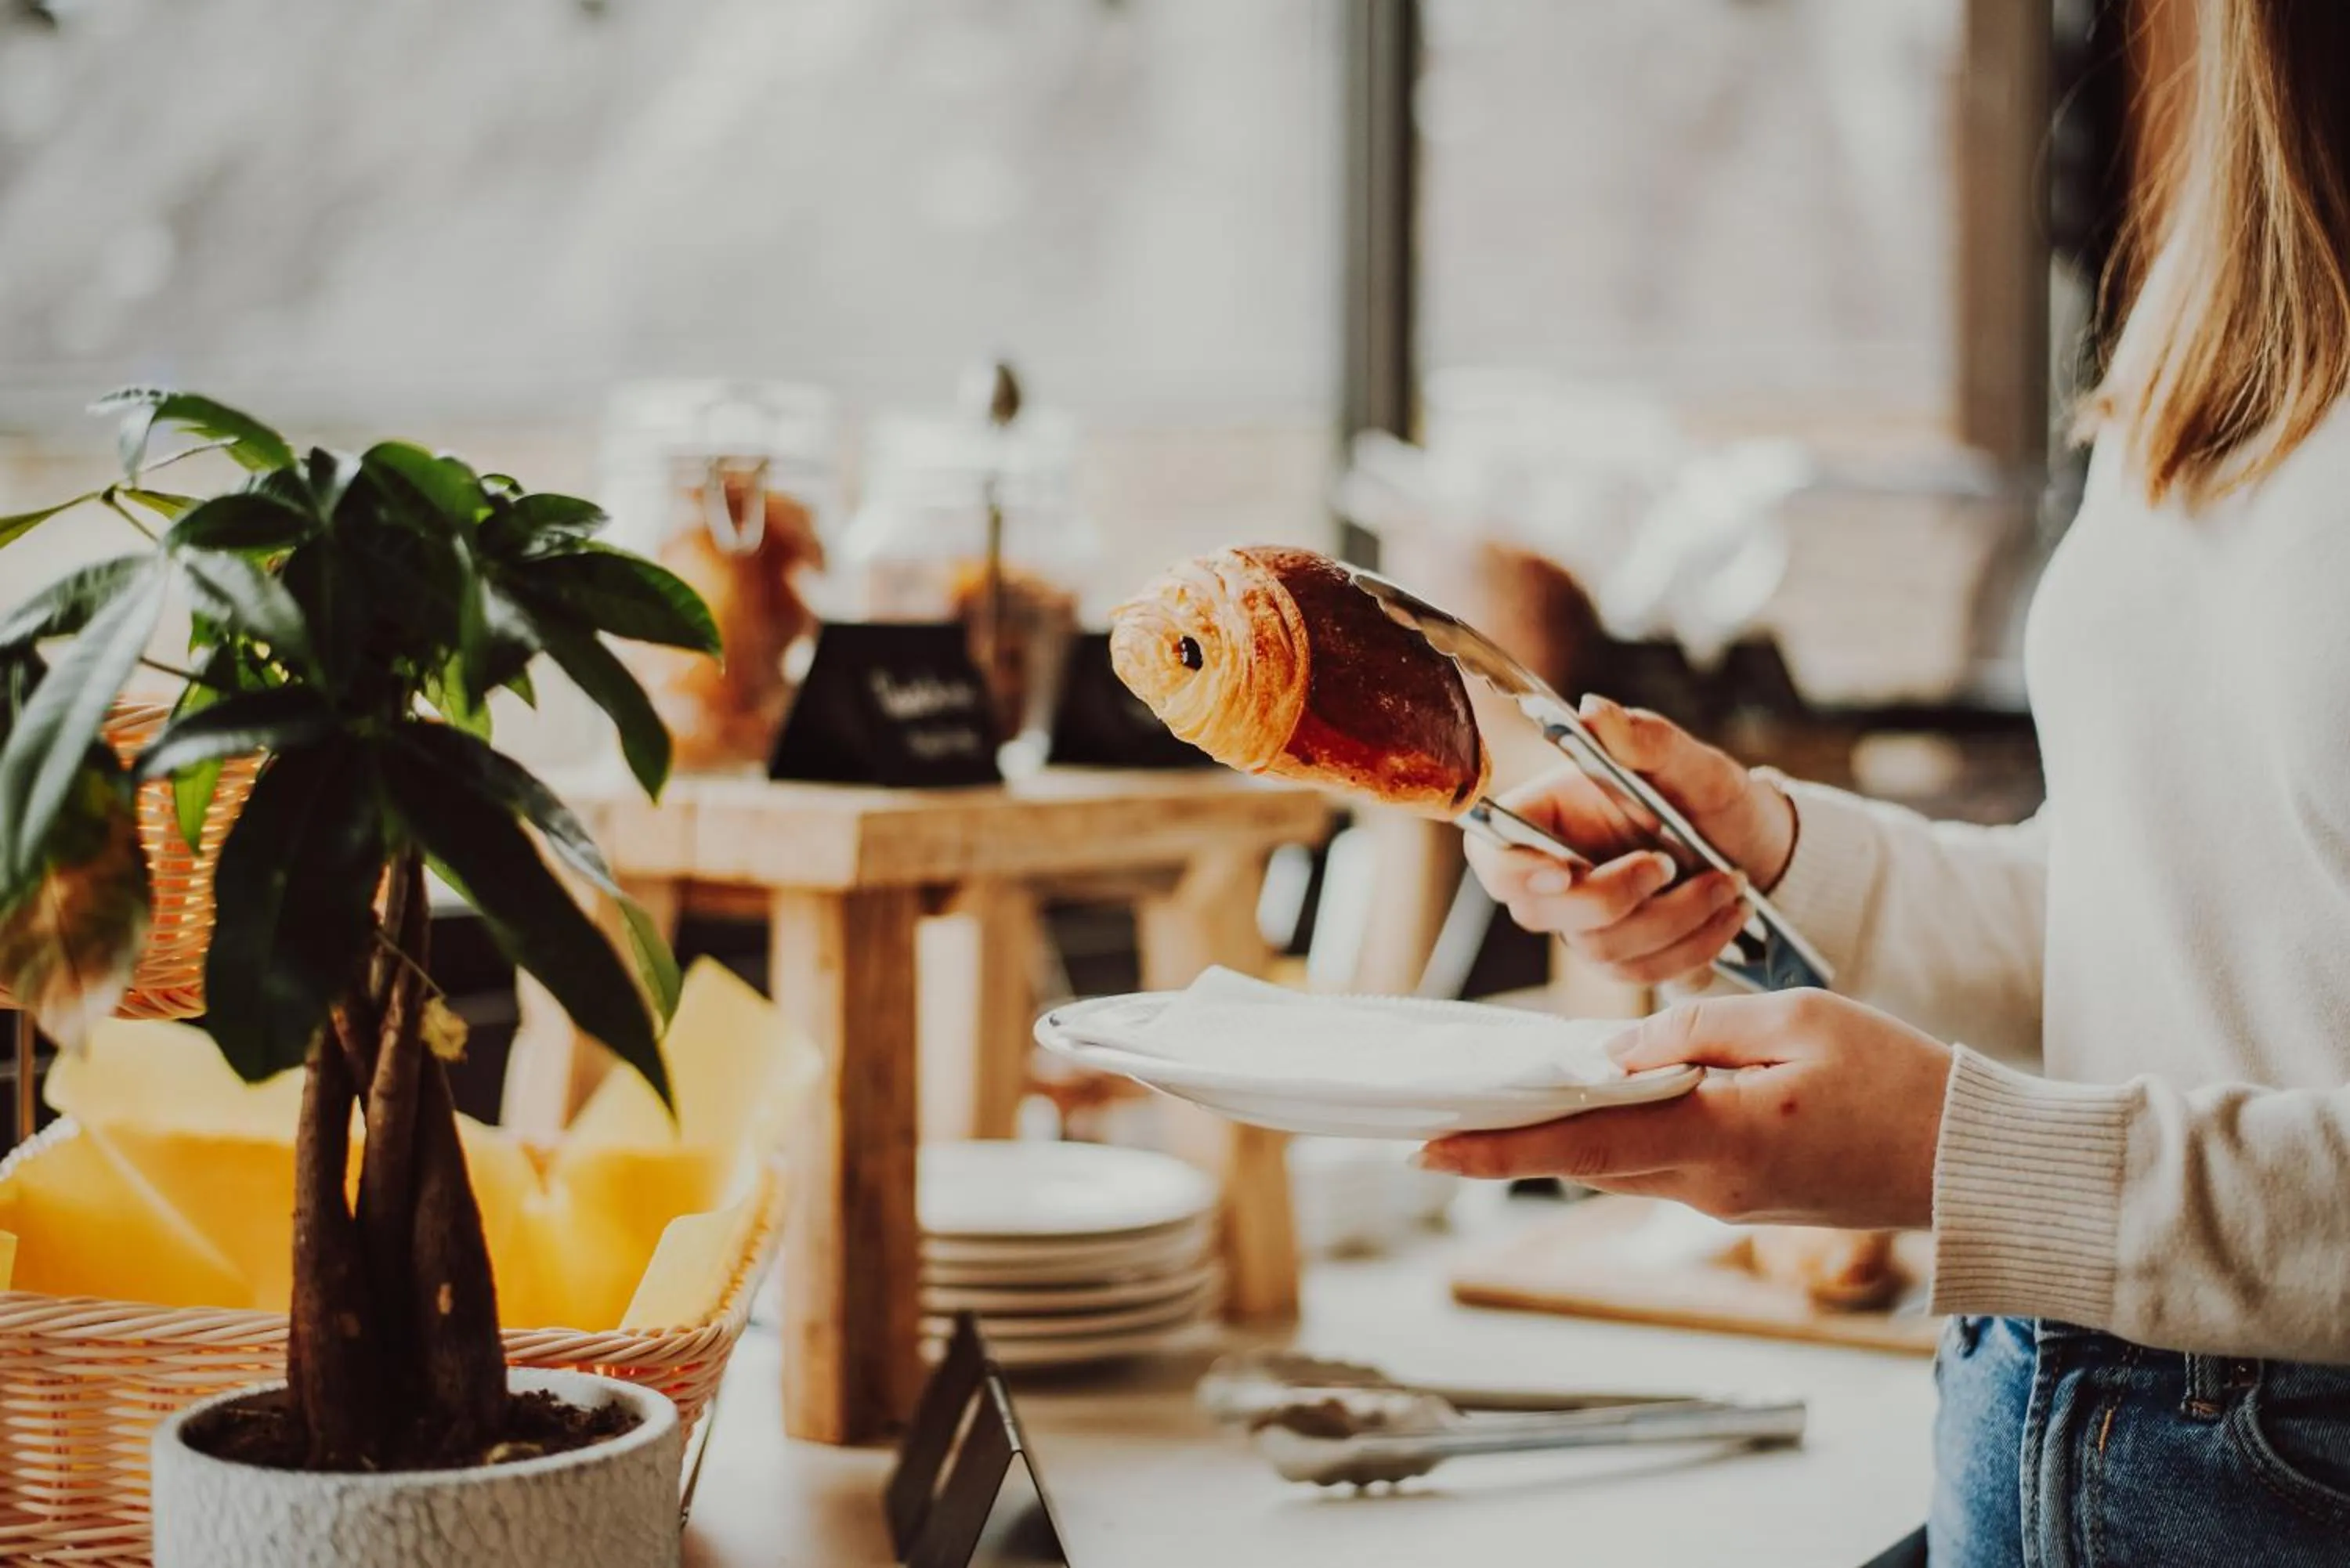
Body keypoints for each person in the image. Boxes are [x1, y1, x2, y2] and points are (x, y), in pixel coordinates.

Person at [1414, 3, 2350, 1561]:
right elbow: (2158, 919)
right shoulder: (2239, 310)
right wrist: (1772, 857)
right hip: (2024, 1404)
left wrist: (1966, 1156)